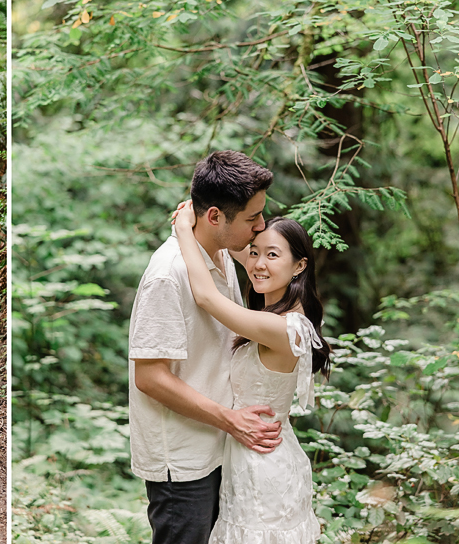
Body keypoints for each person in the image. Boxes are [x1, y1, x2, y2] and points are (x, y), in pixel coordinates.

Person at [128, 150, 281, 544]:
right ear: (214, 216)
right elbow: (148, 376)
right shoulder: (168, 276)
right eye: (252, 218)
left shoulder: (219, 255)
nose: (261, 226)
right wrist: (230, 419)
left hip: (217, 446)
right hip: (183, 460)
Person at [174, 201, 330, 543]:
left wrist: (184, 228)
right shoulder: (283, 313)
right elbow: (246, 257)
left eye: (273, 255)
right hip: (251, 460)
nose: (258, 263)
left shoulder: (281, 328)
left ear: (300, 265)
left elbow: (206, 297)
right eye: (255, 253)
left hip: (265, 469)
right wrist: (240, 235)